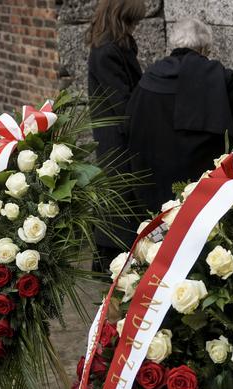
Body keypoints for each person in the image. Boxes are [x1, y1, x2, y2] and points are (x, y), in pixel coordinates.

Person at [125, 19, 233, 214]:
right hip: (196, 192)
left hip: (152, 183)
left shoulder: (150, 77)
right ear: (203, 49)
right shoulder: (211, 76)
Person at [86, 0, 147, 270]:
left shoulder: (118, 47)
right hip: (116, 138)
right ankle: (111, 265)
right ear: (122, 19)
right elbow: (121, 101)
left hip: (120, 134)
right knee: (120, 202)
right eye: (133, 21)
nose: (136, 27)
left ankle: (118, 262)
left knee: (122, 201)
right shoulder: (107, 52)